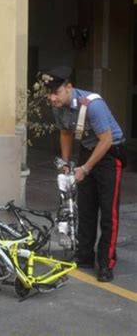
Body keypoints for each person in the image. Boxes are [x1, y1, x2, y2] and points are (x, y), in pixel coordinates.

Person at [39, 66, 126, 283]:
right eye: (49, 93)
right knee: (86, 208)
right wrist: (67, 163)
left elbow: (105, 140)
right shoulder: (59, 106)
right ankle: (85, 255)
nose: (52, 97)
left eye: (56, 92)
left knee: (108, 212)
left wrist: (85, 168)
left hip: (109, 153)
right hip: (89, 150)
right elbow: (66, 132)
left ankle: (106, 263)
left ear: (69, 87)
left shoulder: (92, 105)